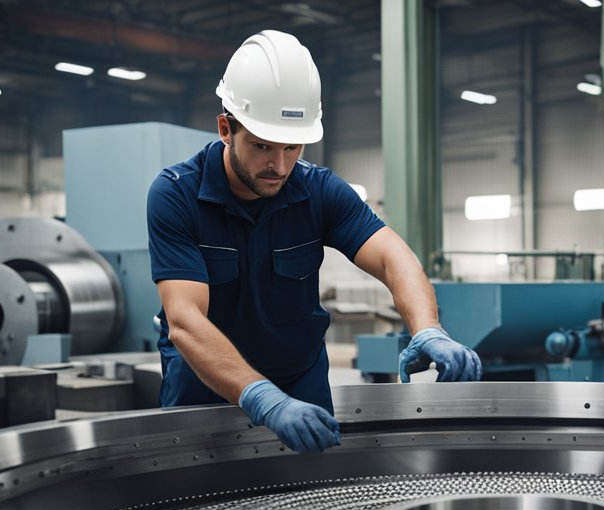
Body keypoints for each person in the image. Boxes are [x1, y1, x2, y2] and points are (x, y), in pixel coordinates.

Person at [148, 30, 481, 454]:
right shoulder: (176, 195)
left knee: (307, 504)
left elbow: (394, 257)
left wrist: (428, 330)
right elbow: (184, 321)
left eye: (293, 146)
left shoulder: (318, 191)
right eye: (262, 146)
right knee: (192, 503)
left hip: (297, 379)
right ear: (226, 129)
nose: (279, 165)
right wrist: (262, 398)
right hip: (203, 380)